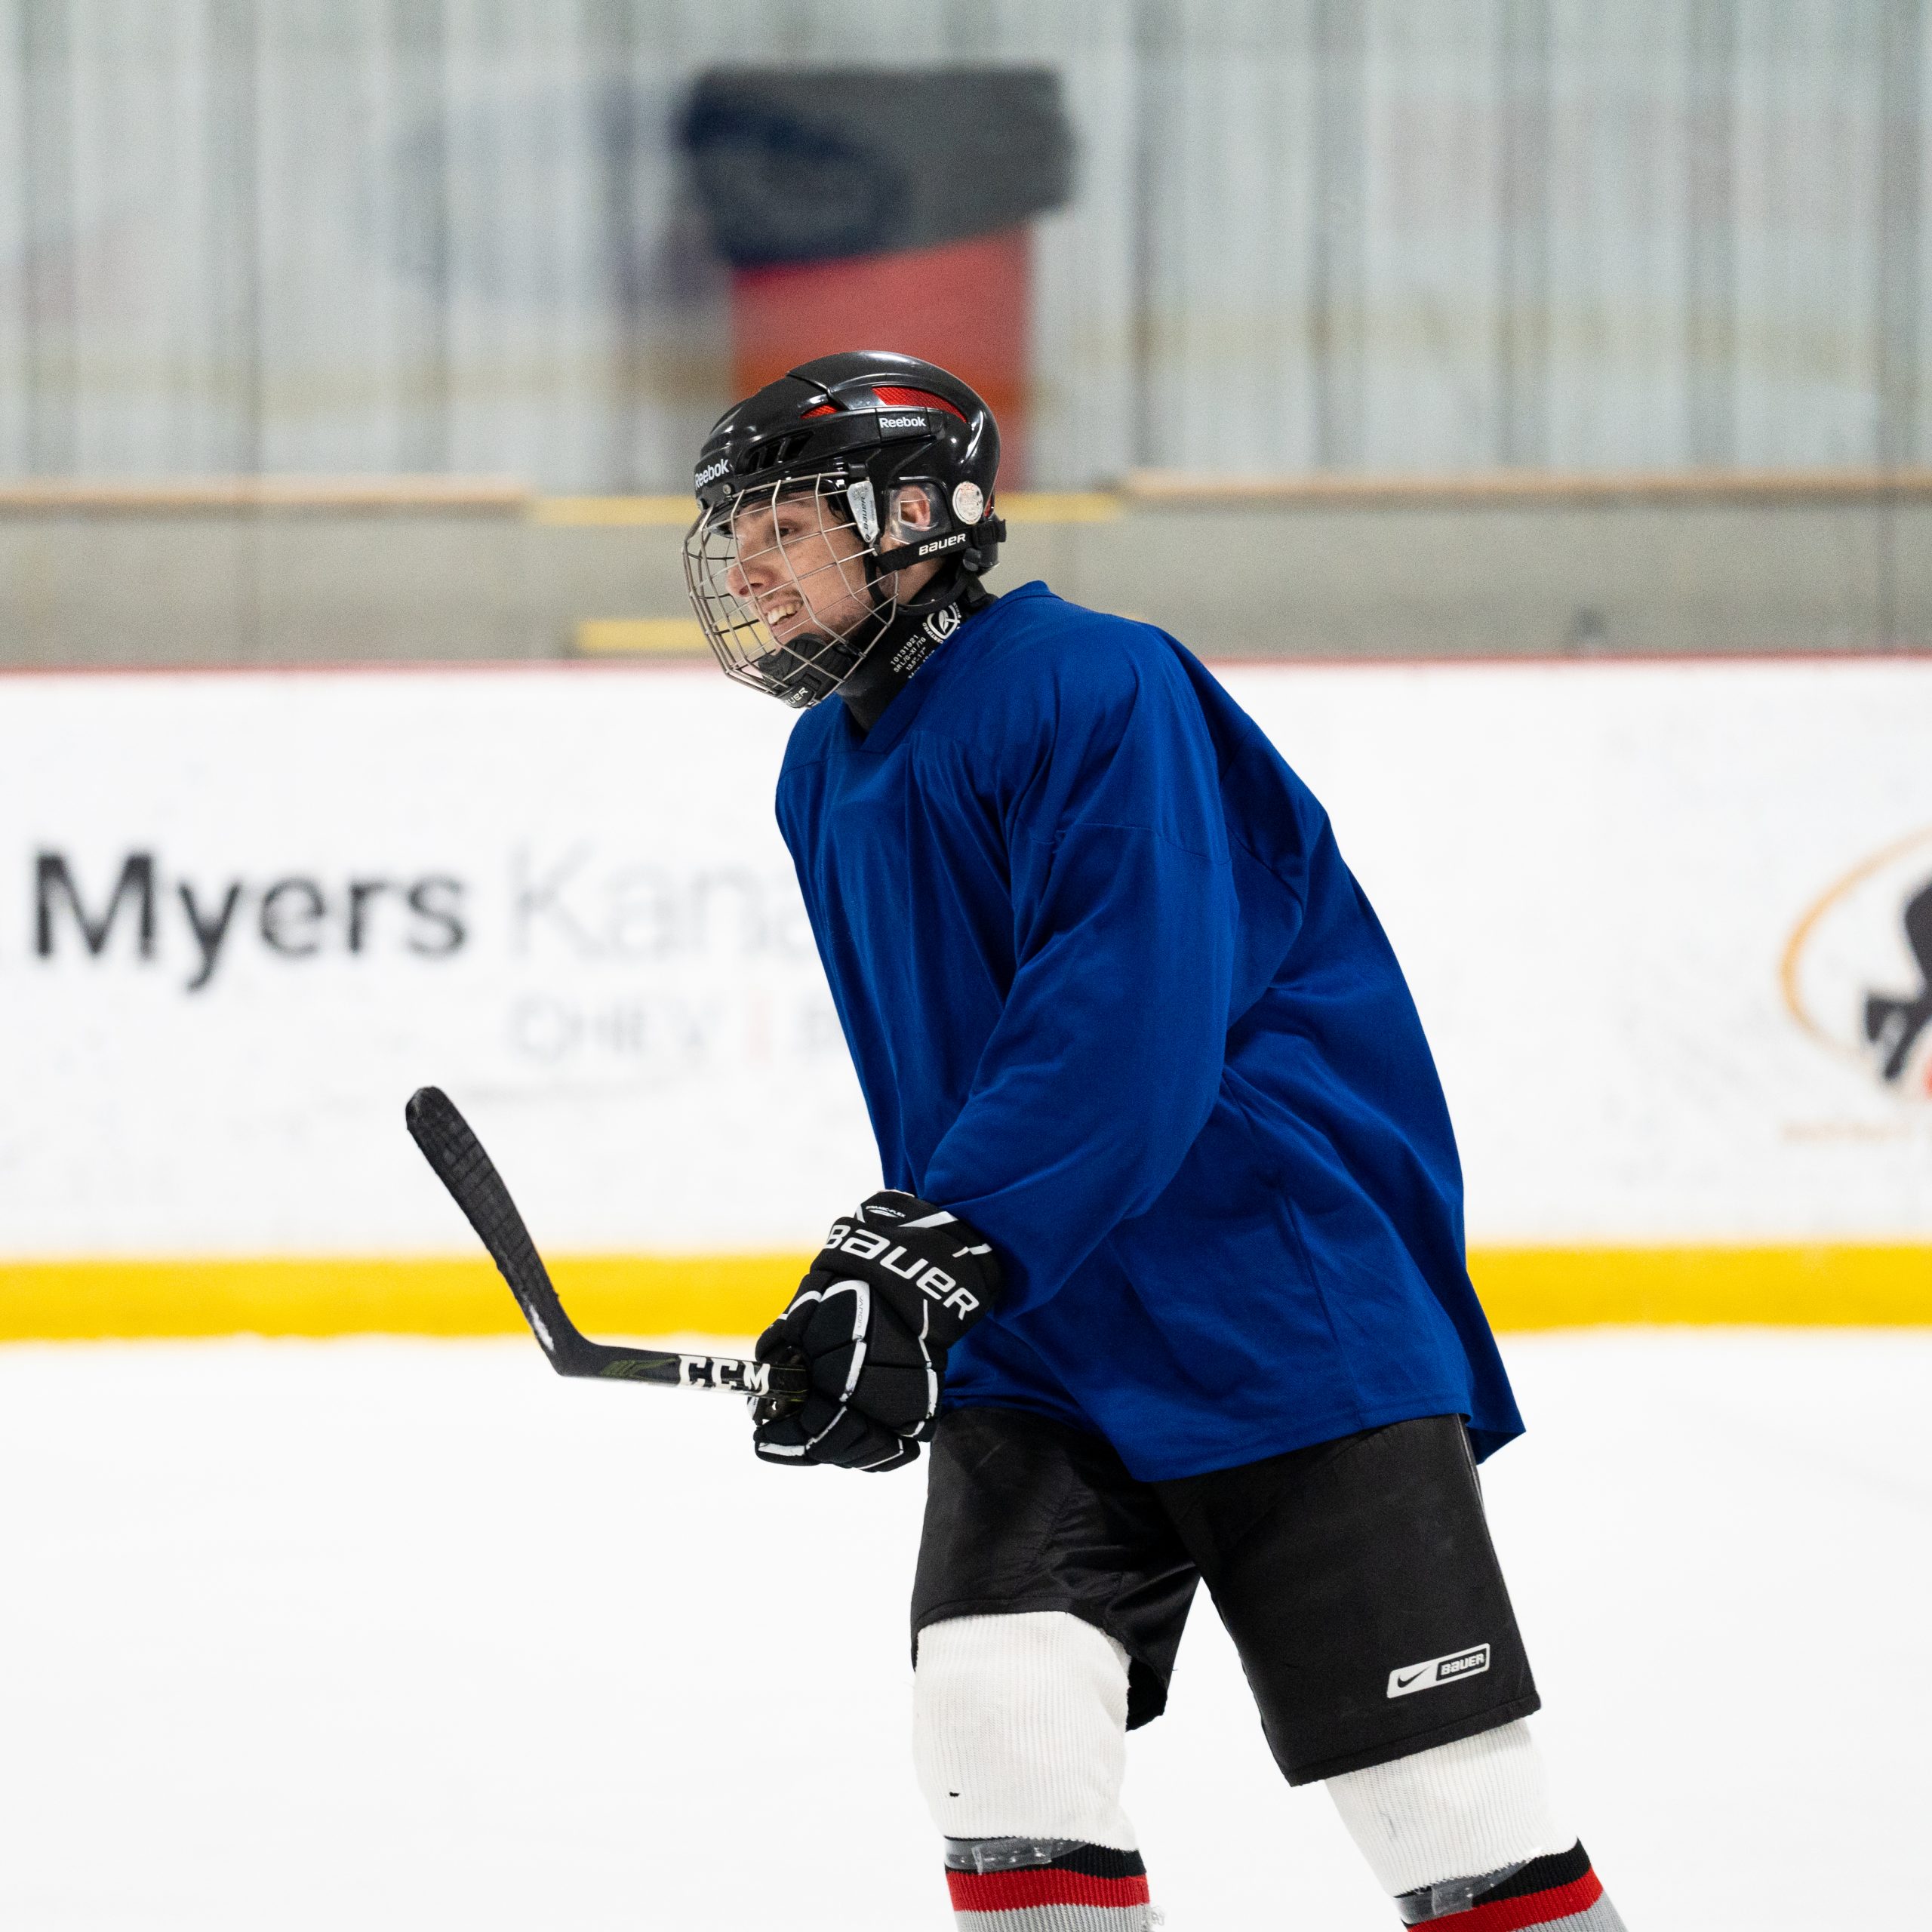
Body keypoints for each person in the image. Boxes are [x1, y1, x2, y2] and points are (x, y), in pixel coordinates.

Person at [682, 351, 1626, 1932]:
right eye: (736, 534)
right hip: (1040, 1321)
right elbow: (961, 1070)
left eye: (783, 520)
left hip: (1269, 1298)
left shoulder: (1089, 680)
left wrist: (935, 1247)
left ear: (911, 513)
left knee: (1445, 1800)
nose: (750, 566)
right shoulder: (817, 771)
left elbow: (1124, 1006)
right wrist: (895, 1284)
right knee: (997, 1735)